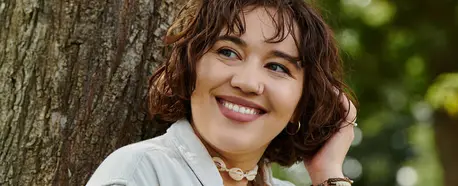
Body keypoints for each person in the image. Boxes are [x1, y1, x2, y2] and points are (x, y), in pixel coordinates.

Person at [87, 0, 358, 185]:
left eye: (277, 66)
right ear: (189, 66)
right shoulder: (139, 173)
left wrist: (328, 173)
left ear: (301, 102)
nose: (248, 82)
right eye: (228, 52)